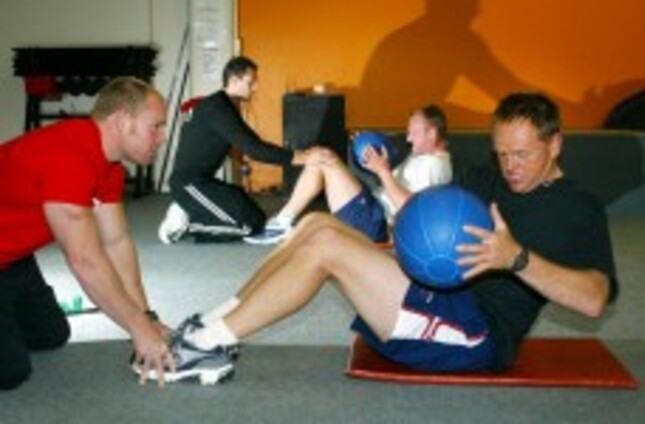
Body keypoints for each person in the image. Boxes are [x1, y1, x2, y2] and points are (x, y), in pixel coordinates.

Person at [138, 92, 617, 384]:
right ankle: (210, 326)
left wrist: (516, 259)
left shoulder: (579, 208)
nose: (510, 166)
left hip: (474, 333)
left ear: (555, 144)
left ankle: (205, 347)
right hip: (433, 293)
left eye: (522, 154)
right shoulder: (487, 178)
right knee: (318, 226)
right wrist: (385, 188)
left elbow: (595, 299)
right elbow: (426, 220)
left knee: (326, 248)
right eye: (502, 153)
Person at [0, 77, 175, 390]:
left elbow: (116, 242)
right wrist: (138, 328)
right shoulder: (67, 154)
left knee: (50, 334)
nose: (162, 137)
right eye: (156, 126)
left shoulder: (110, 167)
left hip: (12, 257)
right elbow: (84, 260)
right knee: (10, 371)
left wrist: (144, 317)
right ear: (122, 121)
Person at [158, 56, 324, 244]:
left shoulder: (227, 105)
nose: (255, 87)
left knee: (257, 218)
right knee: (246, 227)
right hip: (189, 184)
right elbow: (255, 149)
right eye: (250, 82)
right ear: (234, 80)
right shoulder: (217, 108)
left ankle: (192, 208)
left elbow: (231, 139)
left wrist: (238, 159)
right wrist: (303, 157)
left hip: (206, 182)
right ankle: (188, 219)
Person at [243, 104, 452, 245]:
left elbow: (414, 210)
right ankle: (283, 222)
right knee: (319, 158)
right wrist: (376, 159)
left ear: (432, 133)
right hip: (372, 209)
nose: (408, 139)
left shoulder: (434, 165)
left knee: (324, 156)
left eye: (413, 133)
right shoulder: (422, 157)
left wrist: (383, 170)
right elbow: (395, 185)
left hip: (376, 223)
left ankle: (282, 224)